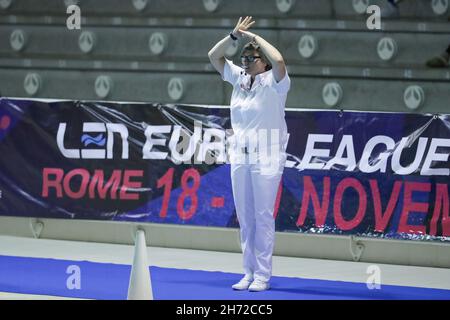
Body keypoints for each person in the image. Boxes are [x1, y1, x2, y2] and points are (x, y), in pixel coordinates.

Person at [208, 16, 291, 292]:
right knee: (245, 216)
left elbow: (279, 61)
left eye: (252, 56)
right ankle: (247, 272)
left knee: (263, 215)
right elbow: (214, 55)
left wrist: (258, 41)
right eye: (244, 57)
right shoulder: (239, 79)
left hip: (266, 156)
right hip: (240, 156)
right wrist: (234, 36)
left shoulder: (275, 83)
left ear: (262, 61)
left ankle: (263, 276)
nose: (246, 60)